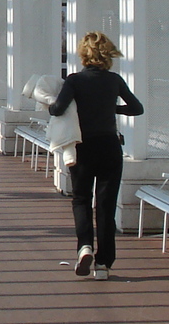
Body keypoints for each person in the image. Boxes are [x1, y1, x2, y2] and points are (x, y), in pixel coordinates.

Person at [48, 31, 143, 280]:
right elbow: (137, 108)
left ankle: (85, 247)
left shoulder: (75, 80)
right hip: (110, 146)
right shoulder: (114, 80)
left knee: (81, 199)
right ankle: (104, 264)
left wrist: (48, 105)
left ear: (83, 54)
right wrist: (111, 107)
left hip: (82, 147)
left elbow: (57, 109)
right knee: (106, 206)